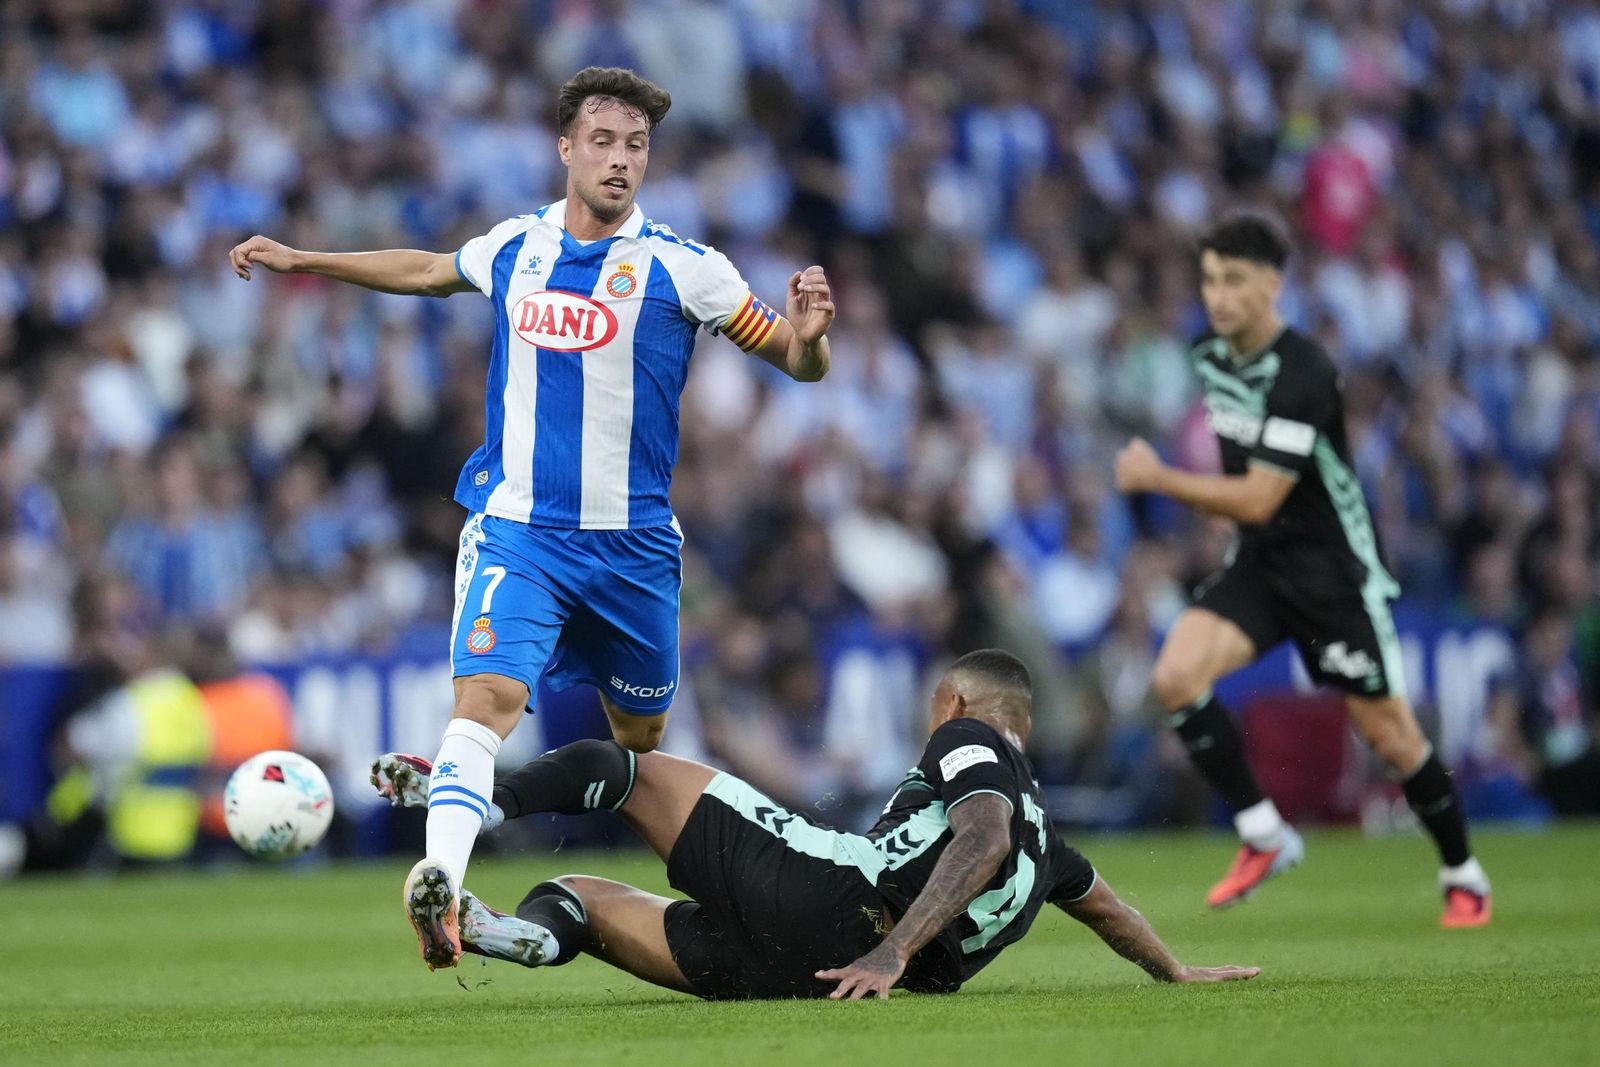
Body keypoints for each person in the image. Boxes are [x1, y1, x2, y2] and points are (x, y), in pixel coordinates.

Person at [228, 67, 836, 968]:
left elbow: (795, 361)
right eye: (603, 140)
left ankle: (474, 790)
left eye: (635, 145)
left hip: (633, 547)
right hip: (521, 529)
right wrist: (305, 259)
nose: (621, 160)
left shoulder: (686, 269)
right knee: (488, 699)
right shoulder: (516, 247)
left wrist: (812, 334)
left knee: (639, 744)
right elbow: (432, 270)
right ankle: (440, 880)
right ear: (565, 148)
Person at [371, 649, 1259, 999]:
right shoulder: (1053, 844)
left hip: (834, 901)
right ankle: (504, 933)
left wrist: (893, 948)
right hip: (804, 974)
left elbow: (980, 835)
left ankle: (473, 801)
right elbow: (1107, 908)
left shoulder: (968, 739)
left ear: (954, 700)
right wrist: (1174, 969)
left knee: (625, 770)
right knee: (579, 898)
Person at [1113, 213, 1492, 928]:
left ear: (1272, 285)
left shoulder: (1308, 372)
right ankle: (1264, 832)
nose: (1217, 296)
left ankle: (1463, 869)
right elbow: (1247, 495)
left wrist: (1159, 477)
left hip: (1331, 574)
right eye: (1208, 280)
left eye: (1233, 280)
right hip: (1259, 562)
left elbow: (1260, 492)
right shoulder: (1209, 353)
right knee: (1175, 676)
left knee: (1393, 738)